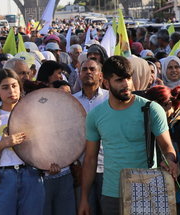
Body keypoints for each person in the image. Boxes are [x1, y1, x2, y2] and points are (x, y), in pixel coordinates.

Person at [78, 56, 178, 215]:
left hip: (146, 190)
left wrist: (170, 160)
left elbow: (167, 147)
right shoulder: (95, 116)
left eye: (128, 78)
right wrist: (84, 198)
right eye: (119, 80)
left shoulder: (151, 109)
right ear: (106, 82)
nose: (126, 84)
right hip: (111, 194)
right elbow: (90, 159)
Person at [0, 68, 45, 215]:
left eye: (14, 86)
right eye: (5, 87)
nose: (11, 91)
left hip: (32, 175)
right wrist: (2, 144)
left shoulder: (33, 115)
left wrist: (51, 165)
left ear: (20, 89)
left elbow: (45, 150)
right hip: (3, 177)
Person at [144, 85, 180, 215]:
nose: (162, 110)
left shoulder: (176, 125)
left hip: (178, 188)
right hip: (153, 187)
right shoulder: (144, 126)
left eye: (167, 104)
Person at [73, 59, 109, 215]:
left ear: (100, 75)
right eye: (84, 69)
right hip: (80, 166)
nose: (88, 72)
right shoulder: (72, 101)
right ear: (79, 74)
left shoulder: (110, 99)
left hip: (106, 166)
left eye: (92, 69)